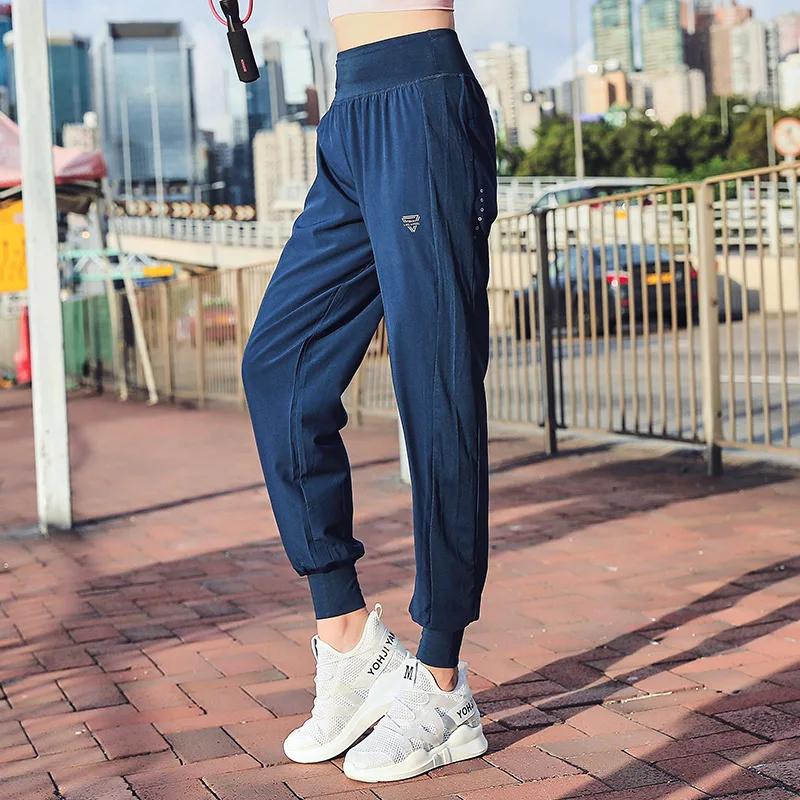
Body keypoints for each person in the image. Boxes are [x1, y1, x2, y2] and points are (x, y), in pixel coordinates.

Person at [241, 0, 497, 783]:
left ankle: (443, 683)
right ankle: (350, 638)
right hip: (349, 110)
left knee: (436, 392)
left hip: (422, 96)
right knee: (278, 367)